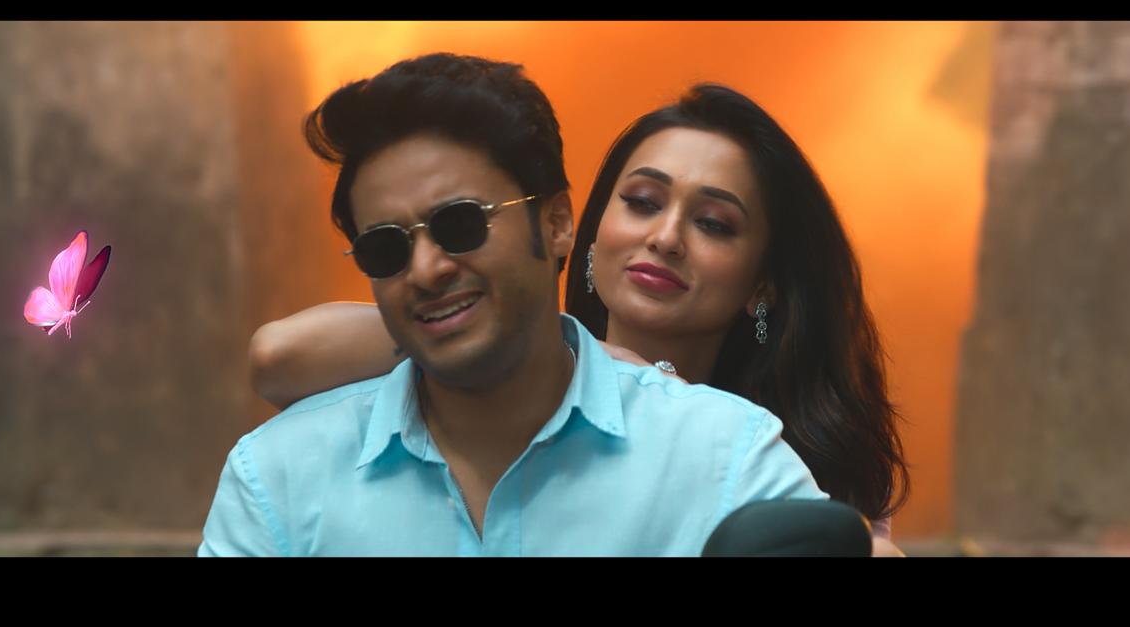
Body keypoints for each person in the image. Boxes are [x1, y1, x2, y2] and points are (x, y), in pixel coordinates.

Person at [200, 53, 826, 556]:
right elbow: (276, 355)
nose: (427, 270)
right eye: (386, 248)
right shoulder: (279, 479)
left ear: (557, 223)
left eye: (461, 225)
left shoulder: (727, 460)